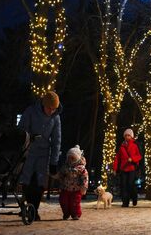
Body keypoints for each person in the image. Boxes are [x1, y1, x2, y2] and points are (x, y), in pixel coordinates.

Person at [18, 91, 62, 220]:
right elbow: (22, 130)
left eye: (54, 109)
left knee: (39, 183)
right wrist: (26, 141)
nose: (51, 111)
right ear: (44, 105)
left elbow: (56, 140)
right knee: (27, 181)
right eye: (49, 108)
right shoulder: (31, 112)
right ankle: (27, 207)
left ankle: (34, 210)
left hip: (43, 154)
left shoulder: (56, 118)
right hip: (28, 151)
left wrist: (54, 162)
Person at [113, 128, 142, 207]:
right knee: (123, 185)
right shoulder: (121, 147)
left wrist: (132, 158)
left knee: (130, 185)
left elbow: (139, 156)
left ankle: (134, 197)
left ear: (131, 136)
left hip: (132, 168)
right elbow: (117, 159)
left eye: (128, 135)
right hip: (123, 169)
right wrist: (115, 169)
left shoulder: (135, 145)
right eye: (125, 135)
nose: (127, 137)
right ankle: (125, 202)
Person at [57, 145, 88, 220]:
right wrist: (60, 183)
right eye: (69, 157)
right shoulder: (65, 167)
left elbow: (85, 178)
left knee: (75, 203)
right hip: (65, 188)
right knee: (63, 201)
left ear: (77, 158)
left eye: (73, 158)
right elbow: (61, 176)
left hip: (76, 189)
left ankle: (76, 214)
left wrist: (83, 187)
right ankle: (66, 213)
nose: (70, 159)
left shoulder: (81, 168)